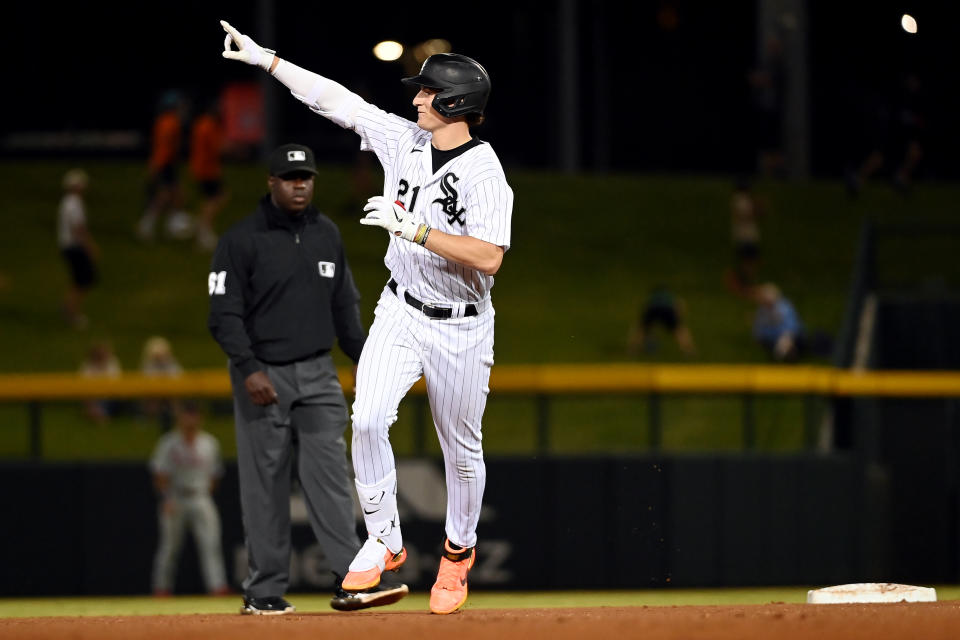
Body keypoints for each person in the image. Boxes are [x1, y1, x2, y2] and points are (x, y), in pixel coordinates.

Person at [219, 19, 514, 615]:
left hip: (460, 322)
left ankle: (458, 554)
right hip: (401, 306)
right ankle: (384, 539)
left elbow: (489, 258)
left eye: (428, 93)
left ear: (456, 103)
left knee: (461, 449)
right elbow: (338, 101)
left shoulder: (487, 175)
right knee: (369, 418)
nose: (416, 99)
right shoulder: (403, 138)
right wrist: (267, 60)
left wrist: (418, 231)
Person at [208, 142, 408, 615]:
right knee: (266, 486)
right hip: (263, 375)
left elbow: (345, 307)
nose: (299, 185)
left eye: (306, 177)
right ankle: (263, 591)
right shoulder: (240, 240)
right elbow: (223, 315)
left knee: (334, 482)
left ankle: (351, 581)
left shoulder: (326, 234)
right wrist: (249, 367)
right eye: (289, 178)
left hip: (319, 372)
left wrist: (366, 357)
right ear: (271, 182)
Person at [149, 399, 230, 596]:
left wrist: (204, 494)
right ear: (180, 417)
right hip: (175, 496)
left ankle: (217, 587)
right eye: (187, 414)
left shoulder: (209, 443)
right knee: (169, 547)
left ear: (199, 417)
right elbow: (160, 475)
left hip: (200, 496)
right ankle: (161, 589)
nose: (190, 418)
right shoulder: (168, 443)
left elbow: (215, 475)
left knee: (210, 544)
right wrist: (166, 497)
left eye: (193, 414)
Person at [138, 90, 193, 242]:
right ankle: (148, 225)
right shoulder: (171, 123)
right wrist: (158, 166)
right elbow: (165, 146)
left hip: (165, 163)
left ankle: (170, 225)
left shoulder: (164, 120)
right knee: (166, 196)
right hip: (165, 163)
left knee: (176, 195)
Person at [58, 168, 99, 329]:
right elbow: (78, 227)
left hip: (69, 246)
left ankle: (69, 306)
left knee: (81, 280)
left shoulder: (68, 202)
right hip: (74, 246)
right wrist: (89, 245)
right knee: (83, 280)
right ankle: (71, 312)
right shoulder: (74, 203)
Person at [190, 98, 229, 251]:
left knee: (213, 199)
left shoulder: (202, 123)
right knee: (215, 199)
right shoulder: (209, 126)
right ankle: (203, 231)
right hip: (207, 169)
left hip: (203, 167)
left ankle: (202, 229)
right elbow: (217, 147)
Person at [627, 285, 696, 357]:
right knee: (679, 330)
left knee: (641, 329)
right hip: (667, 309)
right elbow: (679, 305)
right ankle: (689, 351)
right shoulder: (669, 296)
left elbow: (645, 308)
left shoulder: (653, 297)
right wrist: (678, 319)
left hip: (653, 308)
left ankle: (632, 350)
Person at [141, 336, 184, 423]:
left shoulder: (172, 363)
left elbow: (179, 377)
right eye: (157, 355)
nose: (159, 357)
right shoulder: (148, 365)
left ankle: (176, 415)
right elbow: (147, 380)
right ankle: (151, 417)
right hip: (154, 393)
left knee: (175, 398)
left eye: (161, 354)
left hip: (170, 393)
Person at [79, 340, 122, 424]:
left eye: (104, 353)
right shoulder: (86, 366)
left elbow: (116, 382)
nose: (102, 356)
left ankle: (101, 414)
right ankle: (98, 414)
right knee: (91, 402)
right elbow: (84, 387)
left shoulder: (112, 362)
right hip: (94, 396)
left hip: (111, 395)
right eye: (99, 354)